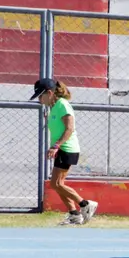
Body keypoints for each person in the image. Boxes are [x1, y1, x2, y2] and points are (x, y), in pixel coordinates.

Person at [31, 78, 98, 226]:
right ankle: (74, 215)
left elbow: (69, 128)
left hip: (67, 149)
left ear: (50, 93)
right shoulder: (54, 107)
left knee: (56, 184)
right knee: (57, 184)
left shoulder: (63, 105)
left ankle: (85, 204)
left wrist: (56, 146)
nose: (39, 100)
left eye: (41, 96)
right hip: (61, 149)